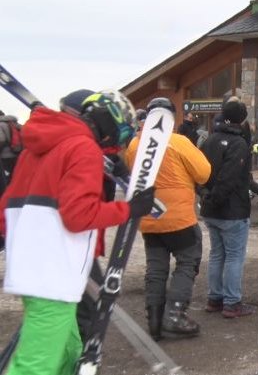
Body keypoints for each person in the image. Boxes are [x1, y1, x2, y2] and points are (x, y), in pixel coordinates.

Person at [0, 90, 155, 375]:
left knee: (68, 348)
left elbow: (7, 207)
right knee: (36, 365)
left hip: (33, 266)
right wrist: (129, 209)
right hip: (53, 273)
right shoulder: (83, 148)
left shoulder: (41, 145)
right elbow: (78, 215)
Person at [125, 98, 211, 340]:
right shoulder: (178, 141)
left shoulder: (134, 145)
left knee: (156, 266)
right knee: (187, 261)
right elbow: (204, 173)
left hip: (150, 216)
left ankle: (154, 319)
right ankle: (174, 315)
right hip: (179, 217)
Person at [200, 100, 254, 318]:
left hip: (211, 209)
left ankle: (215, 298)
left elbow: (200, 171)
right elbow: (229, 177)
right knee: (234, 256)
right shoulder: (239, 143)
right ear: (242, 119)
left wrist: (205, 196)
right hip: (232, 209)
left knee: (216, 254)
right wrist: (216, 198)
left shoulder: (210, 140)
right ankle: (232, 302)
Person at [0, 110, 22, 178]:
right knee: (17, 176)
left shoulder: (0, 125)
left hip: (5, 156)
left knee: (7, 178)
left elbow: (1, 140)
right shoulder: (15, 124)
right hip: (18, 153)